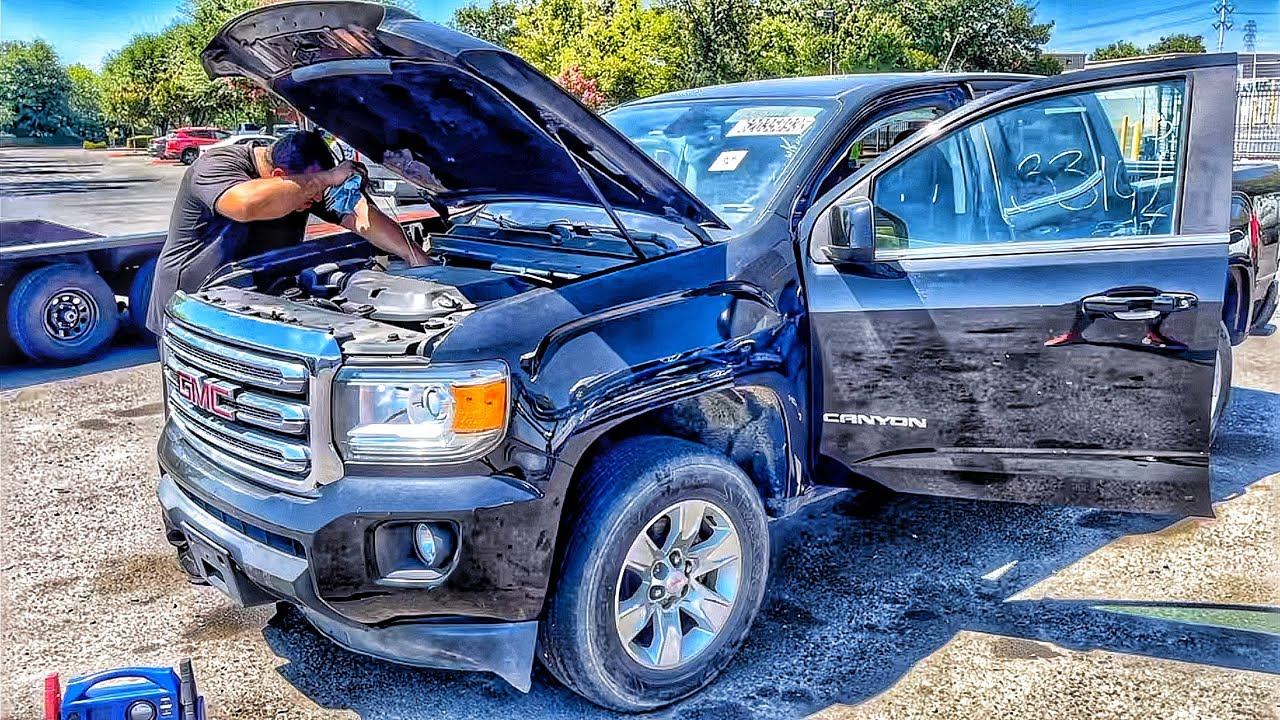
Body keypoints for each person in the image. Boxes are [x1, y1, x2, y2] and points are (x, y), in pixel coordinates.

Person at [145, 129, 422, 334]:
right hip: (191, 304)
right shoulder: (217, 165)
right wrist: (324, 178)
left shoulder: (311, 183)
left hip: (253, 302)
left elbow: (360, 215)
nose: (317, 198)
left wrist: (416, 257)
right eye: (312, 189)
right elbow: (245, 204)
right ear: (280, 177)